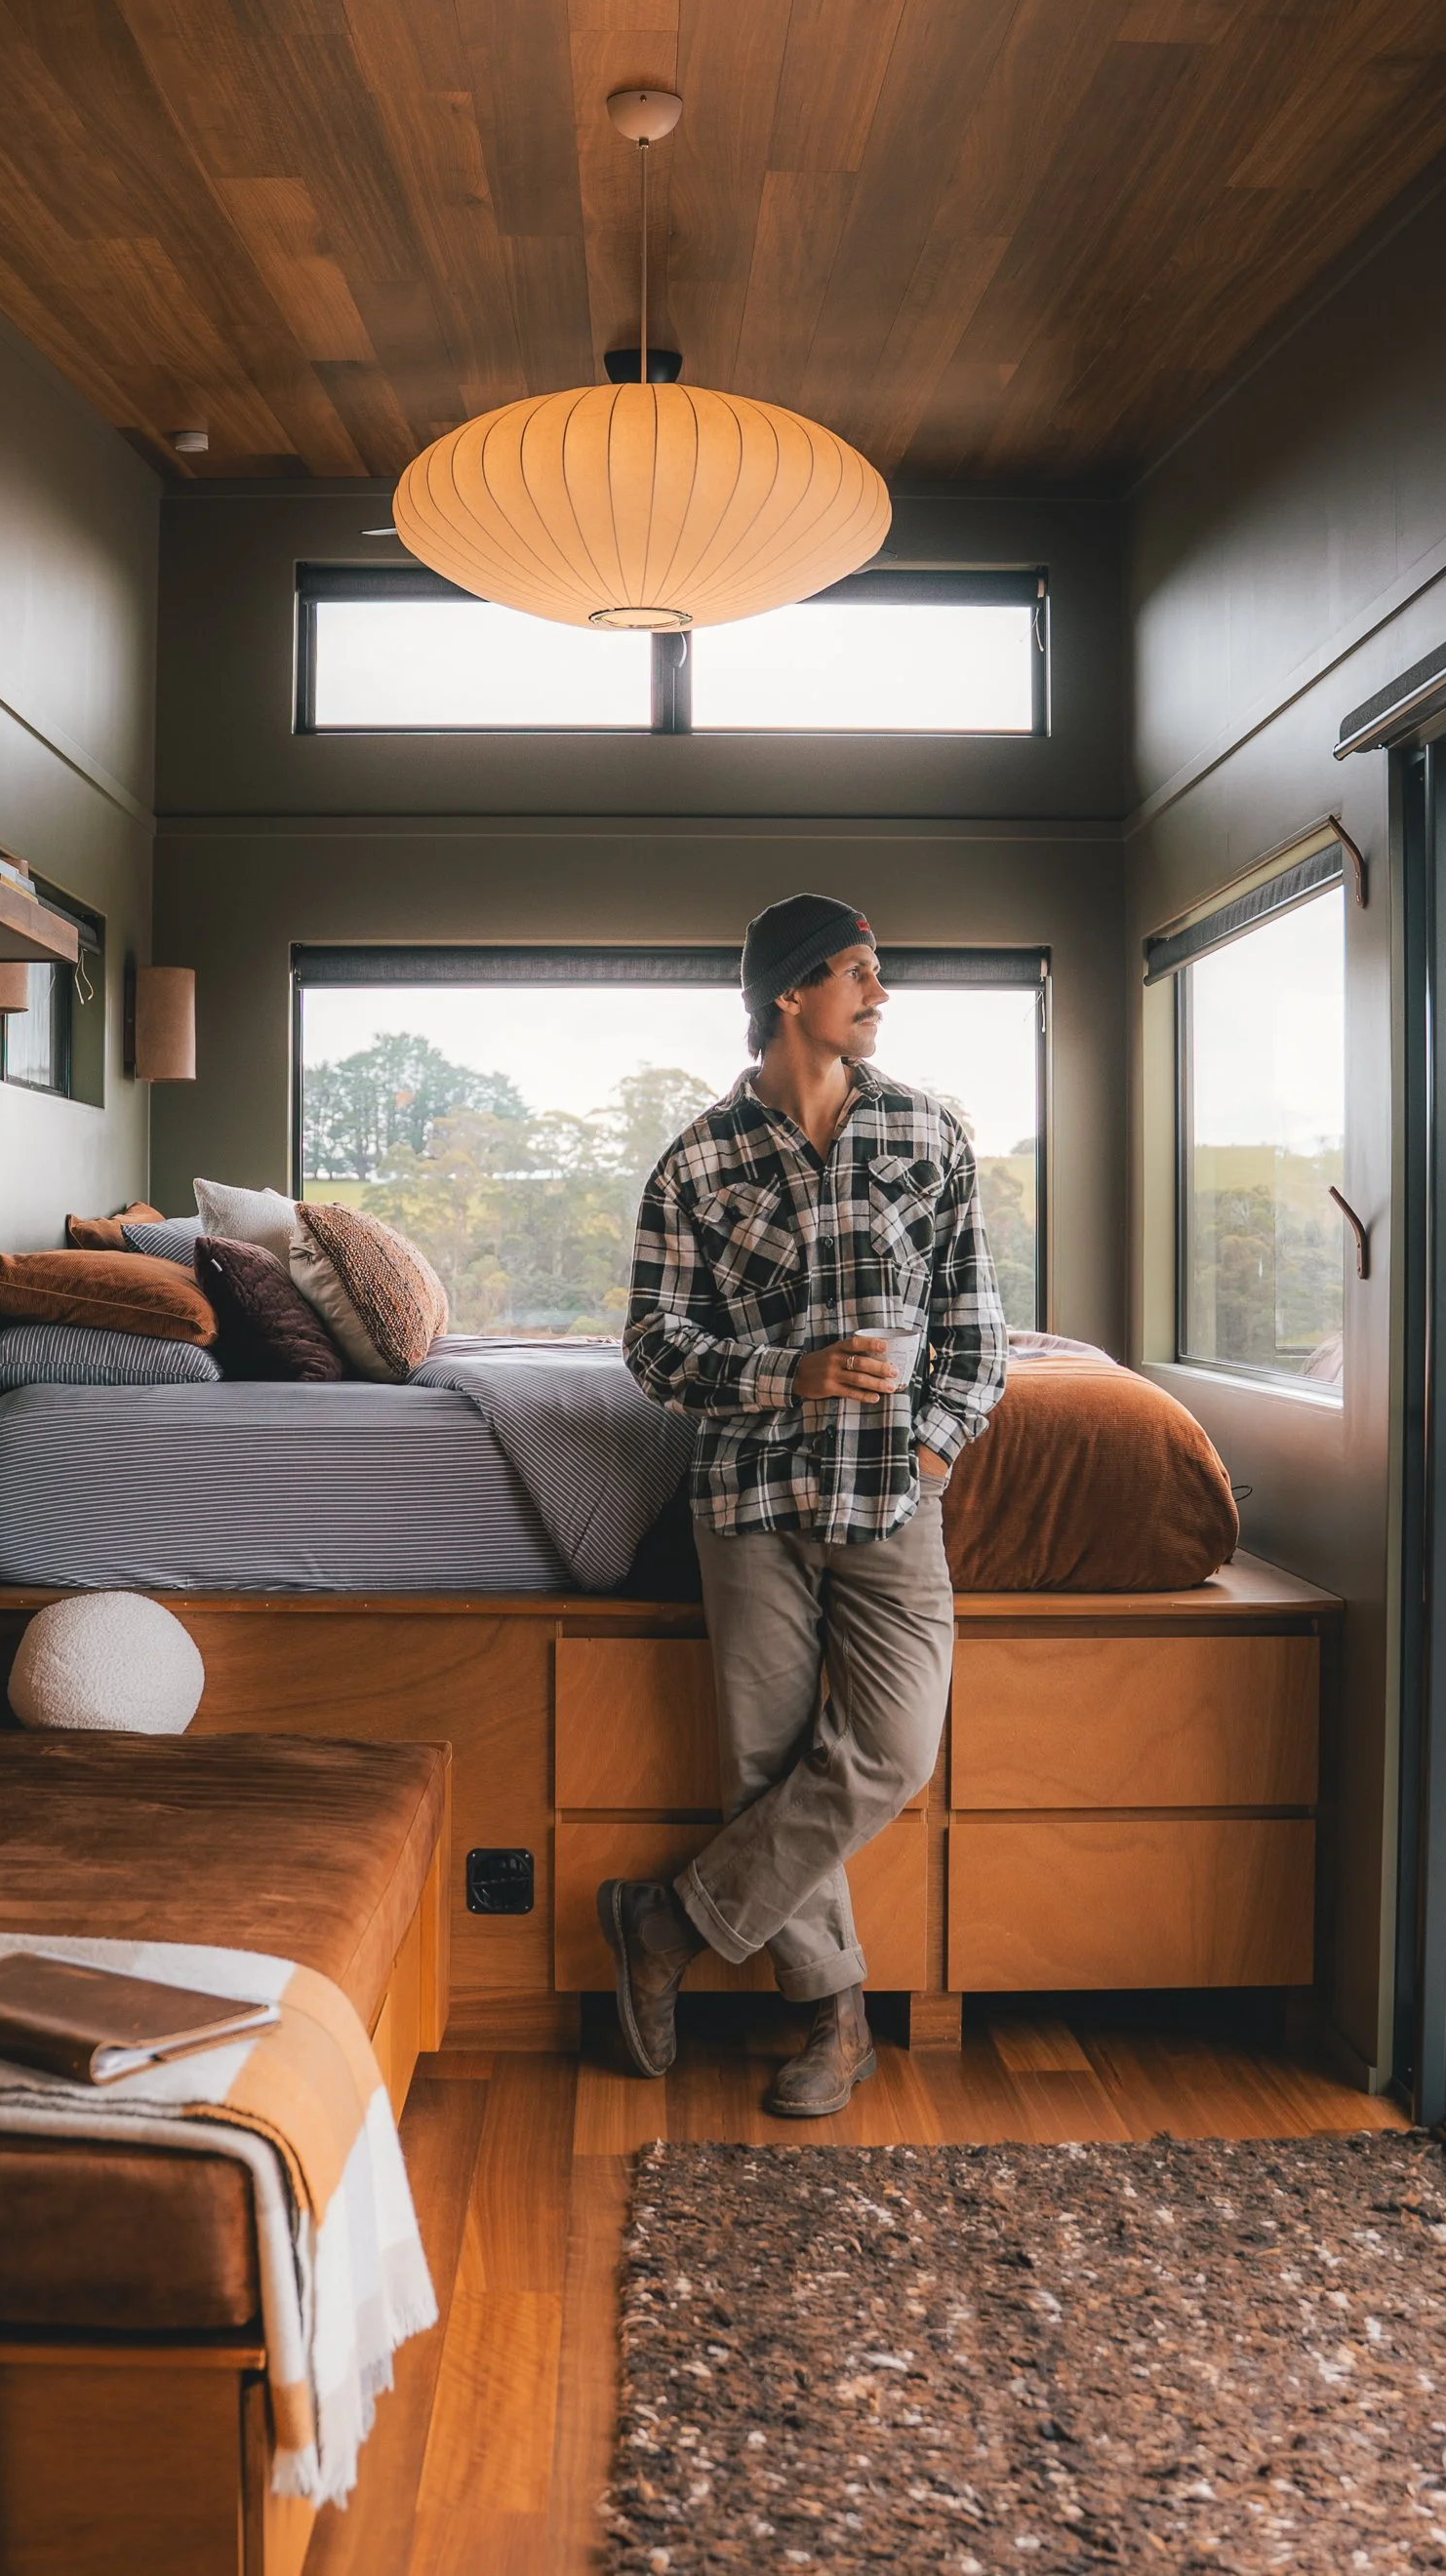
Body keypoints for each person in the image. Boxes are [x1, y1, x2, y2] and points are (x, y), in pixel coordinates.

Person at [601, 892, 1008, 2115]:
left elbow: (974, 1328)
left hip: (895, 1495)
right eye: (858, 973)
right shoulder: (697, 1161)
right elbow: (651, 1348)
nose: (880, 995)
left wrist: (933, 1450)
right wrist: (792, 1374)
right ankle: (835, 2024)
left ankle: (666, 1923)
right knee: (766, 1765)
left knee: (890, 1748)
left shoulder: (930, 1134)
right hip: (747, 1499)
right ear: (790, 993)